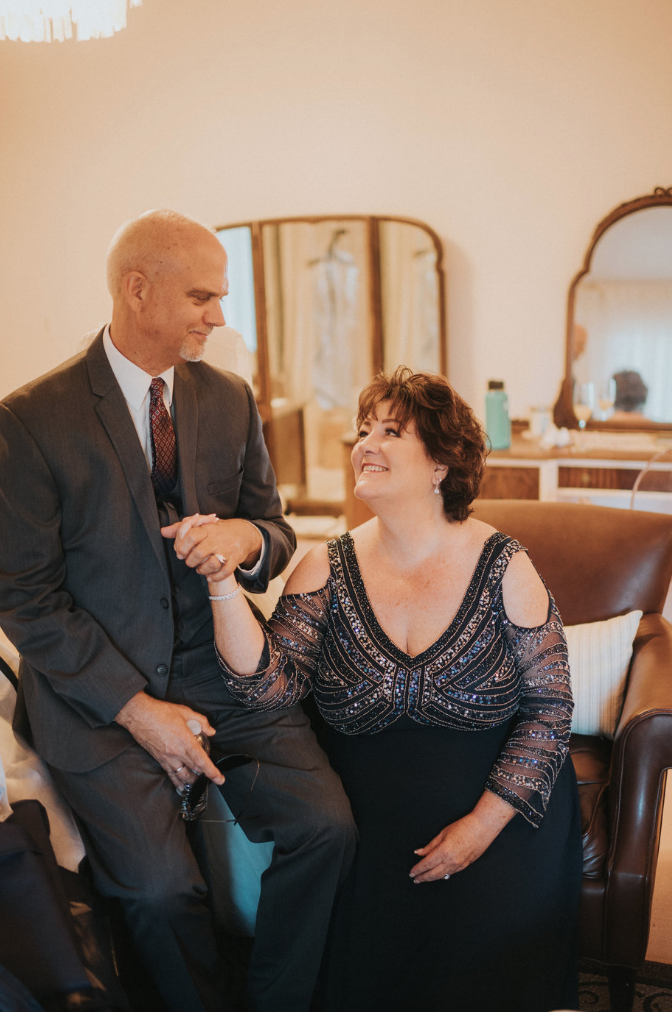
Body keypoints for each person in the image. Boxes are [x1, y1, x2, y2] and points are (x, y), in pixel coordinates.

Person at [0, 210, 356, 1012]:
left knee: (327, 829)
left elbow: (275, 531)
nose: (219, 316)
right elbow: (24, 596)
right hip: (100, 698)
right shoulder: (29, 420)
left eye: (221, 297)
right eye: (203, 296)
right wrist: (138, 710)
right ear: (138, 290)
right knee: (160, 893)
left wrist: (244, 537)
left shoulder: (230, 400)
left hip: (227, 673)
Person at [167, 367, 583, 1012]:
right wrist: (222, 583)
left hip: (498, 813)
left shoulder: (504, 566)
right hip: (368, 825)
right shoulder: (325, 566)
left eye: (391, 432)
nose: (367, 444)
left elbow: (550, 710)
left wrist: (480, 827)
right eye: (364, 430)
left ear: (442, 463)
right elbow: (267, 688)